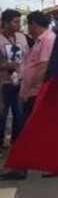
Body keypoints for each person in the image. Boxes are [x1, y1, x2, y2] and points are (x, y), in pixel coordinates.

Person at [0, 12, 57, 180]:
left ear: (34, 24)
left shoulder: (47, 40)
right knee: (28, 130)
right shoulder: (41, 40)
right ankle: (21, 166)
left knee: (28, 129)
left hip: (37, 93)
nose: (25, 28)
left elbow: (43, 67)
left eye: (26, 23)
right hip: (27, 90)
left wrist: (29, 88)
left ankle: (22, 167)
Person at [0, 9, 28, 149]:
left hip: (20, 82)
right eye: (15, 22)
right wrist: (7, 65)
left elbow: (27, 56)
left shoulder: (22, 37)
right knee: (2, 115)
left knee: (19, 114)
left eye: (19, 21)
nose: (19, 25)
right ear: (5, 23)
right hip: (3, 84)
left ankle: (16, 144)